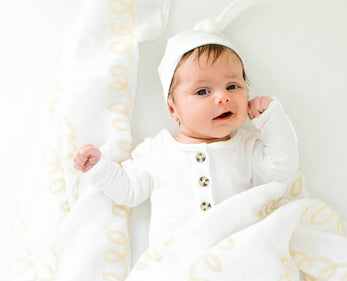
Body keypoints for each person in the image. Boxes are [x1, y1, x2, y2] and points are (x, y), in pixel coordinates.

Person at [73, 34, 299, 245]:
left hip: (239, 252)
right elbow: (129, 190)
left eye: (233, 86)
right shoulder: (156, 151)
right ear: (173, 109)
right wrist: (99, 167)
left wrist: (271, 121)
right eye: (202, 92)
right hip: (177, 258)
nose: (223, 97)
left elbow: (279, 171)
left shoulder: (247, 147)